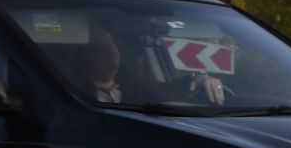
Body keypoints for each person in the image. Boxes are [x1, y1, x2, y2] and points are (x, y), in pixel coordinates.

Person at [76, 30, 225, 106]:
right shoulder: (73, 92)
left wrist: (200, 77)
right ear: (83, 56)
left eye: (112, 46)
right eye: (99, 49)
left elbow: (173, 90)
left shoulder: (136, 86)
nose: (111, 53)